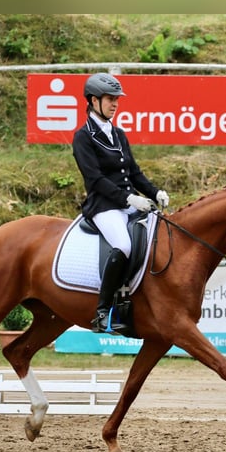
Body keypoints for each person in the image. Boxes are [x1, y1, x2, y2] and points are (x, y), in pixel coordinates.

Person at [72, 72, 170, 333]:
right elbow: (95, 179)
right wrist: (129, 198)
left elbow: (134, 172)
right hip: (103, 206)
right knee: (124, 246)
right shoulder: (83, 137)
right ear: (94, 101)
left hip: (129, 203)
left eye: (117, 100)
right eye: (110, 99)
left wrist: (154, 191)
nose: (115, 104)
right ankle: (103, 310)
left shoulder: (118, 133)